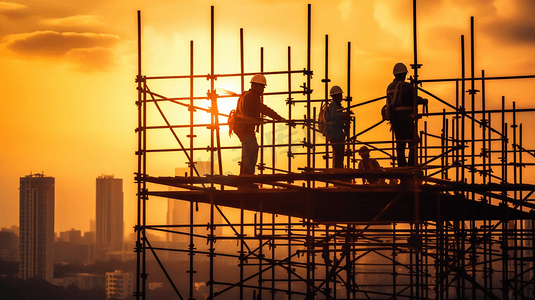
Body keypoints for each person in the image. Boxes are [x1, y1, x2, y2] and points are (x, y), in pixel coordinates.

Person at [234, 74, 286, 177]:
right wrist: (280, 118)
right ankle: (247, 177)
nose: (263, 90)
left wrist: (257, 120)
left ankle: (245, 176)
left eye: (263, 87)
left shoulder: (246, 95)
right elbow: (263, 109)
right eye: (261, 87)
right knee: (252, 150)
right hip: (244, 128)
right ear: (254, 86)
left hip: (241, 128)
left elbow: (250, 111)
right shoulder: (251, 97)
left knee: (248, 151)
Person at [386, 63, 427, 167]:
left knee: (400, 144)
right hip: (405, 120)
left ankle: (401, 166)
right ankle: (411, 165)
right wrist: (424, 101)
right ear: (403, 74)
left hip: (395, 120)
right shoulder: (405, 86)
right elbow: (414, 99)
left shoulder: (390, 87)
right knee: (414, 141)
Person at [324, 85, 350, 168]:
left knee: (339, 153)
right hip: (334, 133)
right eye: (339, 95)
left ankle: (339, 167)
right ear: (335, 96)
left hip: (337, 132)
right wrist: (344, 114)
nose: (341, 97)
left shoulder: (337, 106)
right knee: (338, 152)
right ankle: (338, 168)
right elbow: (335, 115)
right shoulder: (333, 105)